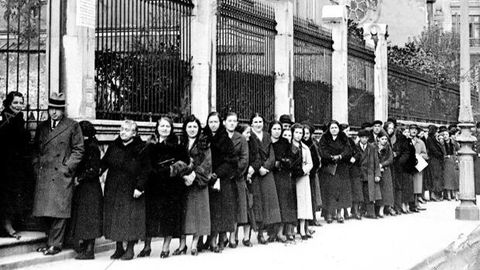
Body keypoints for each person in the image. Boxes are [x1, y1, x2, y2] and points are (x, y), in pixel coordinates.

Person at [32, 92, 84, 256]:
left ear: (63, 110)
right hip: (44, 173)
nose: (54, 112)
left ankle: (55, 244)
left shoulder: (72, 125)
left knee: (59, 211)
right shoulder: (43, 126)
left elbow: (78, 149)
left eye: (57, 109)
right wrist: (36, 165)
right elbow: (35, 149)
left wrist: (67, 167)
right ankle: (49, 242)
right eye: (51, 108)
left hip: (60, 174)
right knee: (46, 211)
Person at [140, 116, 190, 259]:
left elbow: (185, 162)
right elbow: (144, 163)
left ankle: (166, 246)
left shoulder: (178, 145)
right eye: (162, 126)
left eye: (168, 126)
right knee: (151, 215)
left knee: (169, 216)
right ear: (157, 128)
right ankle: (147, 246)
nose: (165, 129)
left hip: (171, 186)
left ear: (171, 129)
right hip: (154, 185)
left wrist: (171, 169)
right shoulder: (150, 145)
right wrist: (152, 172)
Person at [101, 120, 149, 260]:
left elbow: (146, 170)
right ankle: (118, 248)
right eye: (121, 129)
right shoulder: (114, 146)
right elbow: (104, 162)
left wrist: (140, 187)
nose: (123, 132)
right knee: (115, 218)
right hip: (114, 187)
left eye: (127, 130)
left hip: (131, 189)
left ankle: (130, 249)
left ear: (134, 133)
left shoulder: (141, 148)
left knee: (130, 219)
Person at [175, 115, 212, 256]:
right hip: (183, 182)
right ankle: (182, 244)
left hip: (198, 182)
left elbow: (207, 163)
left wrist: (194, 175)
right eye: (189, 126)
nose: (192, 129)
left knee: (198, 212)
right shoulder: (180, 143)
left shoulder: (204, 144)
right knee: (183, 213)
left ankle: (195, 243)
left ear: (199, 128)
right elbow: (176, 161)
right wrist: (183, 175)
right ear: (185, 128)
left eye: (195, 126)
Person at [204, 112, 238, 253]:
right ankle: (207, 239)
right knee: (209, 209)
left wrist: (217, 173)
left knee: (221, 210)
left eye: (216, 122)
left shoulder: (225, 139)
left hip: (221, 178)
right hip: (206, 178)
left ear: (220, 123)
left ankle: (218, 239)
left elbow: (231, 161)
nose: (213, 125)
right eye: (210, 122)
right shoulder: (204, 137)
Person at [0, 92, 31, 240]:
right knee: (6, 195)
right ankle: (7, 225)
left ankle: (10, 224)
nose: (18, 106)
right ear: (8, 104)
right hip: (6, 164)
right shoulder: (6, 118)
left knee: (13, 195)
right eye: (15, 103)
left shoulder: (18, 119)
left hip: (16, 165)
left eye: (21, 103)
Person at [70, 121, 103, 260]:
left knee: (88, 218)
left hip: (89, 187)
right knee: (86, 218)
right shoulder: (90, 145)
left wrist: (80, 178)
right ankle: (86, 247)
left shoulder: (91, 147)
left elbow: (94, 170)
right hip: (87, 187)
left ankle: (89, 250)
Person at [250, 113, 282, 243]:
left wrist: (266, 167)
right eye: (255, 122)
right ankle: (260, 233)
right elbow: (251, 155)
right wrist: (259, 168)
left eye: (260, 122)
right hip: (256, 173)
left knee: (270, 202)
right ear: (251, 124)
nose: (258, 124)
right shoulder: (249, 136)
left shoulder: (267, 136)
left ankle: (271, 231)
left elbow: (272, 156)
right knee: (258, 202)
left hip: (267, 173)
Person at [318, 120, 352, 223]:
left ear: (339, 129)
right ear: (329, 129)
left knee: (340, 191)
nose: (334, 130)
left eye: (336, 128)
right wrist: (331, 157)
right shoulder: (324, 138)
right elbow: (322, 150)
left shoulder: (343, 138)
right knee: (329, 191)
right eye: (332, 128)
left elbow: (348, 150)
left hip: (341, 168)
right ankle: (328, 213)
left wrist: (340, 156)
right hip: (329, 167)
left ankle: (339, 213)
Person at [224, 112, 249, 248]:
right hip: (222, 177)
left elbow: (244, 159)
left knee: (235, 206)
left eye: (234, 121)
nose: (232, 123)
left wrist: (234, 172)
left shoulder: (241, 139)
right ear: (225, 122)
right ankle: (222, 237)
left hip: (236, 177)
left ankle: (233, 236)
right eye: (229, 121)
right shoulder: (220, 137)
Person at [270, 121, 296, 242]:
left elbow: (291, 158)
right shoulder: (267, 141)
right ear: (270, 130)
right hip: (270, 175)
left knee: (283, 204)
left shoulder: (284, 142)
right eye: (274, 129)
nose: (277, 131)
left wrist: (281, 162)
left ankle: (280, 232)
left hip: (282, 176)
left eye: (279, 129)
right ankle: (271, 232)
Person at [291, 123, 314, 239]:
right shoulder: (288, 146)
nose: (299, 135)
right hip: (290, 177)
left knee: (303, 203)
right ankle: (291, 229)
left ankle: (302, 229)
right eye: (297, 132)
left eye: (301, 133)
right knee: (291, 202)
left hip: (302, 177)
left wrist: (303, 170)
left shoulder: (305, 148)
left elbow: (310, 163)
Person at [235, 123, 257, 247]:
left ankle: (246, 237)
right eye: (247, 132)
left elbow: (256, 158)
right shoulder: (238, 144)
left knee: (249, 207)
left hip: (250, 179)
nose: (249, 135)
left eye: (249, 132)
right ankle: (234, 237)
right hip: (240, 178)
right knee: (238, 207)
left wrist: (252, 169)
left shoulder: (252, 144)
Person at [356, 129, 382, 219]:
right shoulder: (355, 147)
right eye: (362, 137)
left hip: (369, 174)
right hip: (358, 174)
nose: (364, 139)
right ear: (359, 138)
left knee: (369, 194)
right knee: (359, 193)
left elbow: (376, 161)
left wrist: (377, 174)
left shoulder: (372, 147)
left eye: (366, 138)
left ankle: (371, 212)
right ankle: (359, 212)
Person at [302, 123, 322, 227]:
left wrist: (312, 171)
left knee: (312, 197)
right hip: (301, 174)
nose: (305, 135)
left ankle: (313, 218)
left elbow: (317, 161)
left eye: (307, 133)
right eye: (303, 133)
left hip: (311, 174)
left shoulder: (312, 145)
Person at [376, 130, 396, 217]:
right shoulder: (374, 147)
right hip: (376, 170)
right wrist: (377, 166)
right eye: (382, 139)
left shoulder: (388, 148)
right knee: (378, 189)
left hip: (386, 170)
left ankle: (382, 209)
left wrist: (382, 164)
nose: (384, 140)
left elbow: (390, 159)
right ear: (378, 139)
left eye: (385, 139)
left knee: (386, 190)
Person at [409, 124, 428, 211]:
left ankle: (416, 203)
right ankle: (409, 204)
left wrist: (420, 155)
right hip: (409, 166)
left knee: (417, 186)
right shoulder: (406, 140)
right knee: (409, 185)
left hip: (418, 166)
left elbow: (425, 154)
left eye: (415, 130)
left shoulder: (420, 142)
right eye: (412, 129)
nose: (413, 131)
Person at [425, 126, 445, 202]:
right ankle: (434, 194)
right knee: (435, 176)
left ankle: (435, 193)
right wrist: (440, 154)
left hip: (435, 159)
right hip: (434, 160)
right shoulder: (430, 139)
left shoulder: (433, 138)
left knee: (436, 176)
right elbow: (433, 149)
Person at [441, 127, 459, 201]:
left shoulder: (453, 142)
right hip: (446, 161)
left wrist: (456, 157)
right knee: (447, 179)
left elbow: (458, 149)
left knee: (454, 177)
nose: (445, 136)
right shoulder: (442, 144)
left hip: (453, 160)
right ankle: (448, 195)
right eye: (444, 134)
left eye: (446, 134)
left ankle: (455, 194)